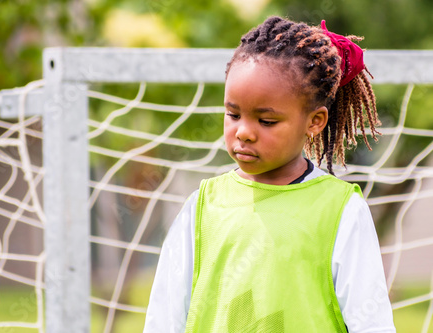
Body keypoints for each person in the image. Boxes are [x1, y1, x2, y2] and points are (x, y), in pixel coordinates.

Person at [144, 16, 396, 332]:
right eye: (233, 114)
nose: (244, 132)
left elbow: (370, 323)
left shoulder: (340, 209)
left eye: (266, 121)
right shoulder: (202, 206)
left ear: (315, 121)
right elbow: (165, 318)